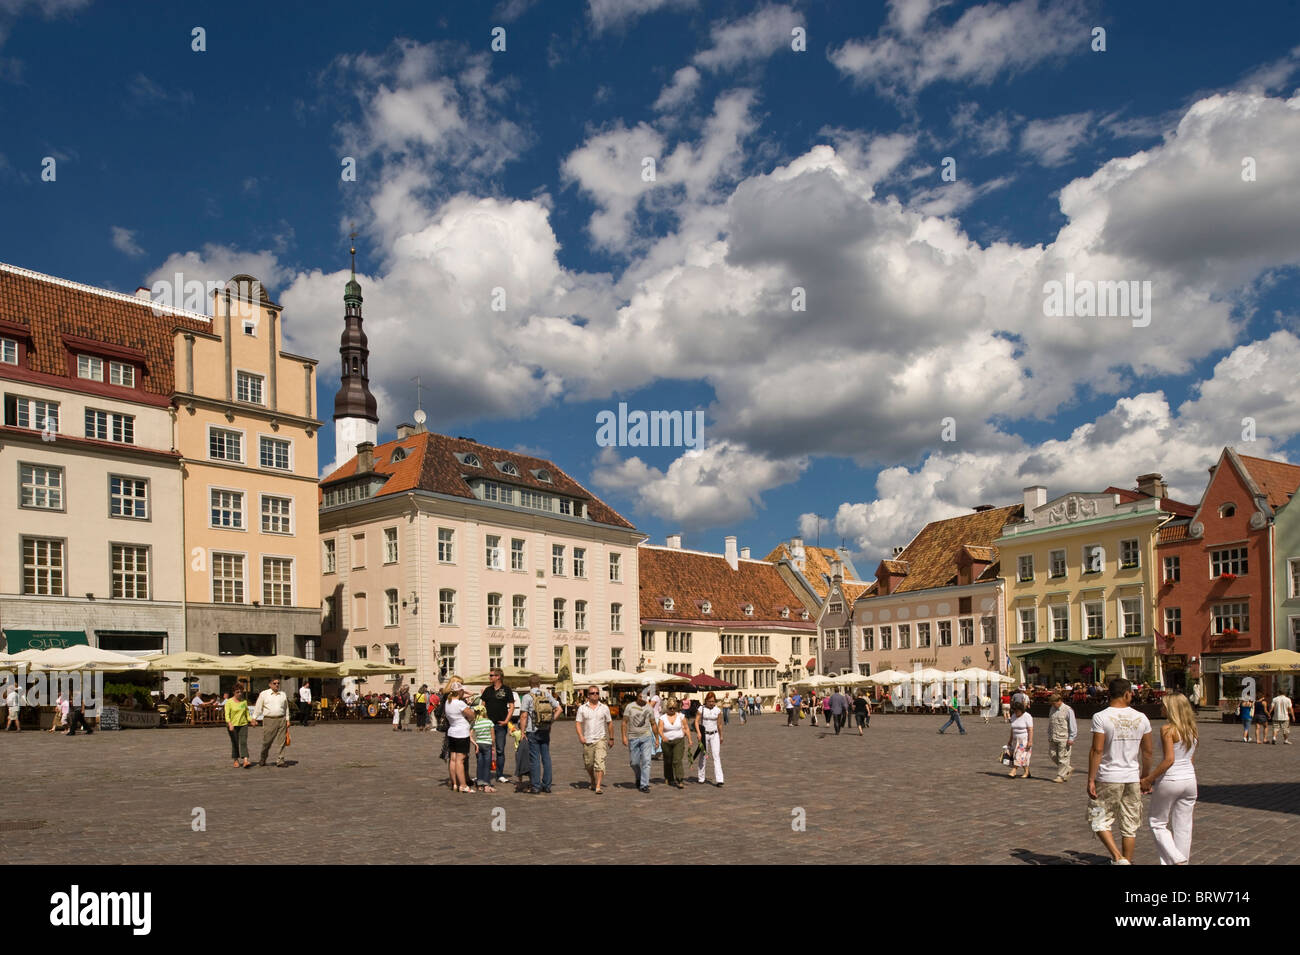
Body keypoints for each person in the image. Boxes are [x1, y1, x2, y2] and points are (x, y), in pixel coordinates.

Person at [1088, 677, 1154, 864]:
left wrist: (1091, 779)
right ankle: (1127, 860)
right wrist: (1145, 777)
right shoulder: (1141, 717)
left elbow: (1097, 750)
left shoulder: (1101, 717)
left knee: (1099, 818)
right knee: (1130, 824)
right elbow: (1147, 751)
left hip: (1108, 776)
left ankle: (1118, 857)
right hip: (1132, 776)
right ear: (1126, 694)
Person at [1141, 691, 1198, 865]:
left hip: (1171, 779)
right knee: (1184, 825)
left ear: (1171, 708)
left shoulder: (1167, 729)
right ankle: (1182, 860)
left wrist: (1149, 779)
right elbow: (1190, 757)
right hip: (1190, 779)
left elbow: (1169, 759)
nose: (1160, 708)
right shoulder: (1192, 729)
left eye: (1163, 705)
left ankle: (1176, 858)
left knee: (1157, 822)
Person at [519, 676, 561, 793]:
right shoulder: (546, 695)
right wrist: (550, 722)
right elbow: (559, 709)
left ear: (529, 684)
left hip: (532, 730)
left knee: (535, 759)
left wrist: (522, 732)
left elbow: (523, 716)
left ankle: (536, 786)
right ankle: (547, 785)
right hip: (545, 730)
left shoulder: (527, 697)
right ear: (539, 683)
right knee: (546, 757)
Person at [575, 685, 616, 793]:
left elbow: (610, 723)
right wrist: (580, 736)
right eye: (592, 693)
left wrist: (611, 738)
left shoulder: (604, 708)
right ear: (588, 695)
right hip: (587, 740)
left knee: (599, 762)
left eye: (597, 693)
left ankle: (598, 786)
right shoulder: (582, 708)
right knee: (588, 764)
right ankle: (592, 779)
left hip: (600, 739)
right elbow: (578, 723)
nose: (595, 695)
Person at [621, 688, 661, 793]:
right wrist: (624, 737)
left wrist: (656, 739)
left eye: (645, 696)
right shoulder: (630, 707)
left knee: (646, 761)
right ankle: (638, 777)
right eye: (641, 696)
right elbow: (624, 722)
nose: (643, 699)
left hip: (646, 737)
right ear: (637, 696)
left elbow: (653, 723)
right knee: (634, 763)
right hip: (633, 737)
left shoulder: (649, 708)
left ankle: (644, 784)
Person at [481, 669, 515, 784]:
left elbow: (512, 706)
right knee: (487, 749)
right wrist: (483, 720)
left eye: (492, 675)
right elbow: (482, 707)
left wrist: (506, 721)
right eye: (490, 675)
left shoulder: (506, 690)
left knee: (500, 750)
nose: (490, 677)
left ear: (498, 677)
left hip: (501, 725)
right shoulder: (487, 690)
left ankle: (499, 774)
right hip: (488, 725)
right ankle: (485, 774)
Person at [251, 677, 292, 768]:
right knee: (267, 741)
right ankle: (263, 758)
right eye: (274, 683)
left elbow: (286, 708)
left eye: (278, 683)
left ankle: (280, 760)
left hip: (281, 719)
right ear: (270, 684)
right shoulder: (264, 694)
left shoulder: (283, 694)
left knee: (282, 741)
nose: (277, 685)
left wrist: (287, 719)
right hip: (269, 720)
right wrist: (254, 718)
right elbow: (258, 707)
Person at [657, 697, 693, 788]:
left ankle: (680, 779)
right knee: (668, 761)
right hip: (666, 742)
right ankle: (669, 777)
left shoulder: (681, 716)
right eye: (670, 708)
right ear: (667, 708)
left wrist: (689, 739)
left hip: (678, 740)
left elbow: (686, 728)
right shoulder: (663, 718)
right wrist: (663, 737)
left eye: (674, 708)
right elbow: (660, 730)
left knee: (677, 760)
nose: (672, 710)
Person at [444, 688, 474, 793]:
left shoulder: (447, 702)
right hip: (462, 732)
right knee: (460, 760)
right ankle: (463, 785)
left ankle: (455, 783)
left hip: (452, 731)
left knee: (453, 759)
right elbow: (471, 715)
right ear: (460, 691)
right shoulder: (460, 703)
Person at [694, 692, 724, 786]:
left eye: (713, 701)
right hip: (704, 735)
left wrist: (721, 735)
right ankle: (701, 777)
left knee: (716, 756)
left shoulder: (717, 710)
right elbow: (696, 721)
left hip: (714, 734)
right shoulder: (701, 709)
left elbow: (719, 724)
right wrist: (698, 733)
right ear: (706, 701)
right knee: (703, 755)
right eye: (710, 701)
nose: (711, 703)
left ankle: (719, 779)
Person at [1048, 693, 1078, 782]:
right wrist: (1049, 734)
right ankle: (1067, 768)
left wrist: (1071, 738)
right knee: (1052, 754)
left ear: (1059, 701)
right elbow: (1051, 723)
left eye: (1054, 703)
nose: (1053, 705)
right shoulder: (1052, 709)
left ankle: (1060, 776)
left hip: (1064, 737)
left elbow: (1073, 725)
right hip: (1053, 736)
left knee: (1063, 757)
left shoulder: (1068, 710)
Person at [471, 704, 496, 792]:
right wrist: (493, 746)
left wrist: (475, 744)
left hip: (478, 745)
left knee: (480, 764)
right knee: (487, 765)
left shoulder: (475, 722)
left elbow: (470, 736)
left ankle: (479, 784)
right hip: (487, 745)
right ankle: (486, 784)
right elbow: (493, 736)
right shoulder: (489, 722)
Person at [225, 687, 252, 768]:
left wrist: (251, 720)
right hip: (233, 725)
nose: (239, 693)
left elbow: (247, 714)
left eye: (241, 692)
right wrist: (229, 723)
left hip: (243, 724)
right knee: (235, 742)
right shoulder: (229, 702)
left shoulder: (244, 702)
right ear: (234, 692)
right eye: (237, 692)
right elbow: (227, 714)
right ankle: (236, 760)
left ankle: (245, 760)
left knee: (243, 742)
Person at [1006, 700, 1033, 778]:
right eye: (1014, 711)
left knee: (1018, 755)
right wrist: (1010, 740)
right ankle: (1027, 772)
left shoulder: (1027, 716)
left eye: (1017, 711)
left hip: (1024, 739)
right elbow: (1012, 729)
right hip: (1015, 739)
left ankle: (1013, 771)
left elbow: (1030, 729)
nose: (1015, 712)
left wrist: (1030, 741)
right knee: (1022, 757)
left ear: (1021, 710)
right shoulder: (1013, 716)